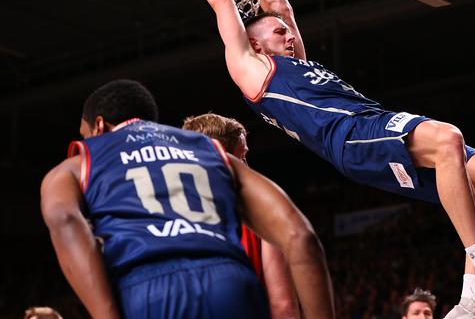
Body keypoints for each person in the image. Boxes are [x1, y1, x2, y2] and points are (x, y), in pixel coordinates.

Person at [184, 0, 475, 318]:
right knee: (447, 137)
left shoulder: (299, 62)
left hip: (373, 121)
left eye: (289, 31)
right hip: (348, 137)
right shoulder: (253, 69)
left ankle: (472, 303)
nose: (290, 35)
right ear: (255, 43)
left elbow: (280, 6)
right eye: (280, 33)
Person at [40, 79, 334, 319]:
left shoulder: (80, 163)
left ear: (99, 126)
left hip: (146, 289)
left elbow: (64, 221)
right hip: (230, 285)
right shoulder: (211, 152)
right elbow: (301, 237)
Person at [182, 112, 300, 319]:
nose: (246, 166)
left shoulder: (165, 219)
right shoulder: (262, 213)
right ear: (221, 159)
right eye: (242, 157)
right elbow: (283, 305)